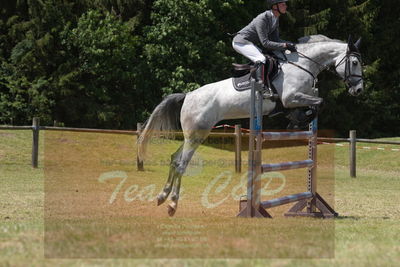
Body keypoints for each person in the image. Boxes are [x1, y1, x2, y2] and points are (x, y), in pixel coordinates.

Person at [232, 0, 296, 90]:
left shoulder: (275, 19)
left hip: (249, 43)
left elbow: (276, 40)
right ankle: (260, 86)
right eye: (283, 4)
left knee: (269, 58)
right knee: (261, 59)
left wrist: (290, 44)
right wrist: (285, 45)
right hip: (240, 42)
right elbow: (265, 43)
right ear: (275, 6)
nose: (286, 6)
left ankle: (266, 83)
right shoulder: (263, 19)